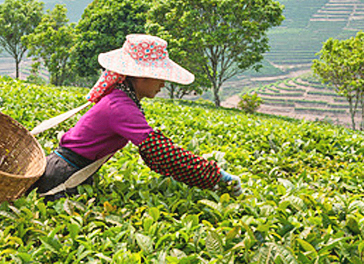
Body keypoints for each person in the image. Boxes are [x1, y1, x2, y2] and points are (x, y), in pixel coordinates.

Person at [28, 34, 242, 200]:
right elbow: (161, 151)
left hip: (70, 168)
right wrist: (215, 175)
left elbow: (153, 152)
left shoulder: (122, 98)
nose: (163, 84)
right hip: (64, 173)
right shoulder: (120, 107)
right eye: (159, 77)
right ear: (139, 76)